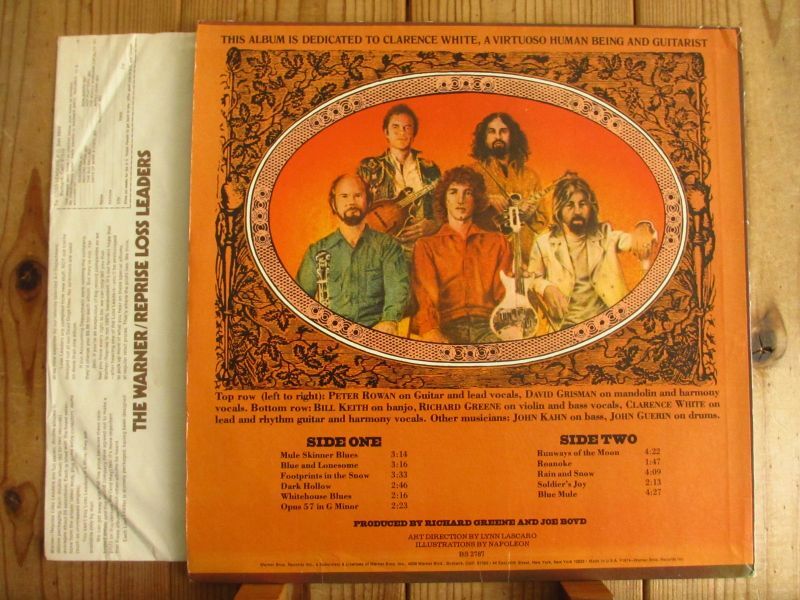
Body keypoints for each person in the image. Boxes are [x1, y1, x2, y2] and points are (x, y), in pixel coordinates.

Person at [528, 174, 657, 331]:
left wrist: (643, 228)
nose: (577, 211)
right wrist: (546, 288)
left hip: (610, 320)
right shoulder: (543, 243)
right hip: (564, 327)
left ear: (591, 207)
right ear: (559, 210)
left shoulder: (605, 235)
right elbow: (532, 278)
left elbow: (637, 240)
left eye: (582, 204)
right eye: (570, 205)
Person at [296, 173, 409, 334]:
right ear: (334, 204)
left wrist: (389, 321)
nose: (351, 202)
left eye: (358, 195)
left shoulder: (388, 246)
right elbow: (299, 302)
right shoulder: (317, 251)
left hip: (375, 334)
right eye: (344, 196)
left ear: (369, 201)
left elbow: (397, 289)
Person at [411, 166, 512, 344]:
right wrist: (430, 329)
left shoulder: (498, 242)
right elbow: (426, 297)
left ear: (477, 199)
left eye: (468, 193)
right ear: (444, 199)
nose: (460, 200)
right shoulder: (426, 246)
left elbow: (505, 296)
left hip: (489, 327)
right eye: (453, 192)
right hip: (446, 328)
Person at [358, 104, 441, 247]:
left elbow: (443, 208)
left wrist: (434, 224)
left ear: (414, 133)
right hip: (382, 248)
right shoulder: (369, 167)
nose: (401, 132)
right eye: (395, 127)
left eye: (407, 127)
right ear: (386, 132)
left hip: (423, 246)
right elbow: (356, 206)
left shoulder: (430, 169)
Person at [470, 112, 549, 256]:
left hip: (523, 255)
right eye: (492, 132)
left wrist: (529, 215)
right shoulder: (471, 173)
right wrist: (486, 200)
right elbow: (458, 212)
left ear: (512, 136)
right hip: (486, 255)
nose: (498, 137)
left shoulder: (530, 176)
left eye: (503, 131)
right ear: (484, 138)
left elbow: (542, 223)